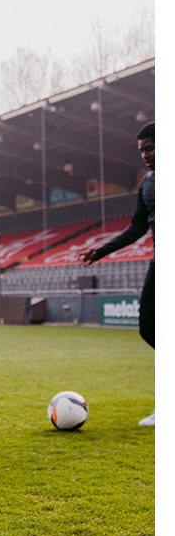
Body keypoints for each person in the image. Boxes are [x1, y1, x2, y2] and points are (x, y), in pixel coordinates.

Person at [81, 122, 154, 426]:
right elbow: (138, 226)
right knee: (148, 326)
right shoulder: (148, 183)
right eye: (142, 150)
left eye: (151, 147)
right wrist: (101, 251)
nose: (146, 154)